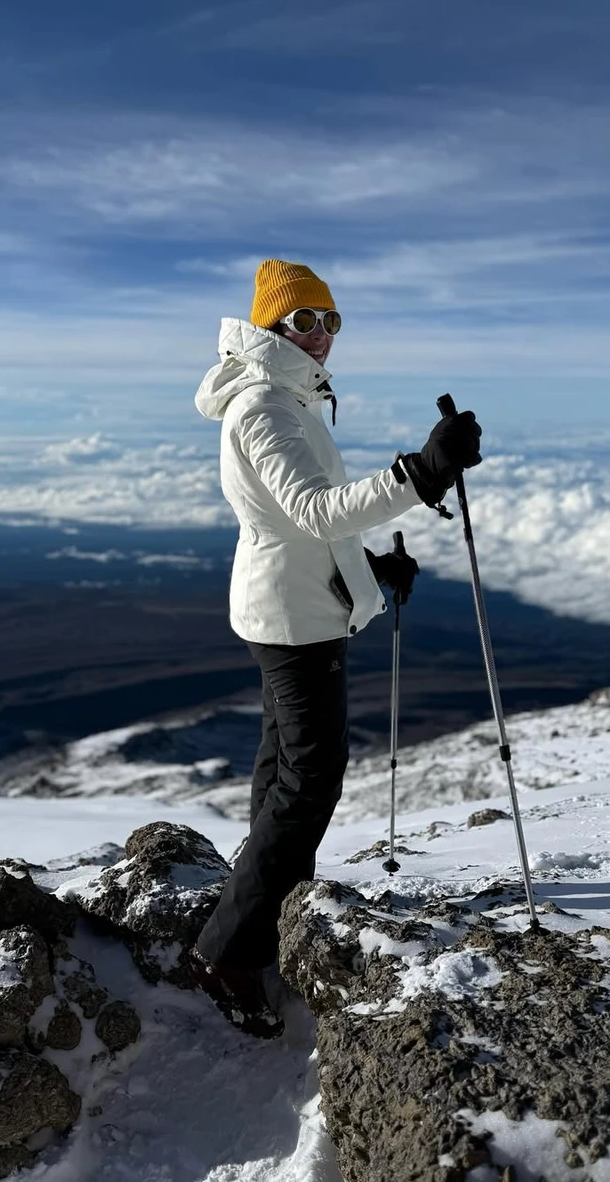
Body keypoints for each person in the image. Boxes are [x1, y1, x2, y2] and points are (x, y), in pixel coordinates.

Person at [190, 259, 481, 1036]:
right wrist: (423, 473)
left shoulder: (286, 398)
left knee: (284, 766)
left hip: (291, 604)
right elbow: (317, 512)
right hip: (295, 620)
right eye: (304, 320)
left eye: (330, 320)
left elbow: (301, 527)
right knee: (310, 777)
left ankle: (270, 906)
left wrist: (371, 569)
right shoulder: (265, 406)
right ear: (271, 326)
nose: (321, 334)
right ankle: (228, 952)